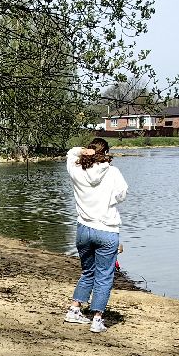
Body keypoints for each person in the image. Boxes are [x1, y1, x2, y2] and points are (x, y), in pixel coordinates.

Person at [63, 137, 128, 333]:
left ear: (88, 151)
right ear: (106, 153)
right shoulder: (113, 171)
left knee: (88, 272)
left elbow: (70, 153)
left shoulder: (76, 170)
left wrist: (83, 151)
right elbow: (122, 195)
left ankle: (75, 310)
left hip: (84, 229)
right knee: (104, 276)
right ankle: (97, 319)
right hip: (106, 230)